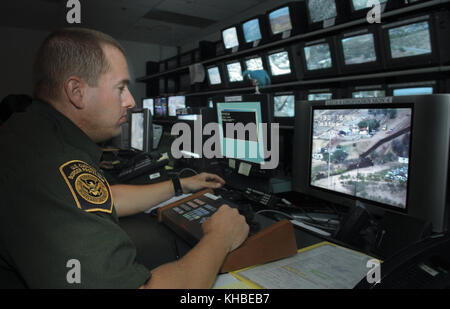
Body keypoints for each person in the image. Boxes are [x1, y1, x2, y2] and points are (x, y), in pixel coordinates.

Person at [0, 28, 249, 289]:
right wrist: (220, 237)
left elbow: (105, 197)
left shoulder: (32, 133)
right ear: (76, 91)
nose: (130, 101)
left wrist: (182, 185)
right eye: (121, 88)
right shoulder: (50, 164)